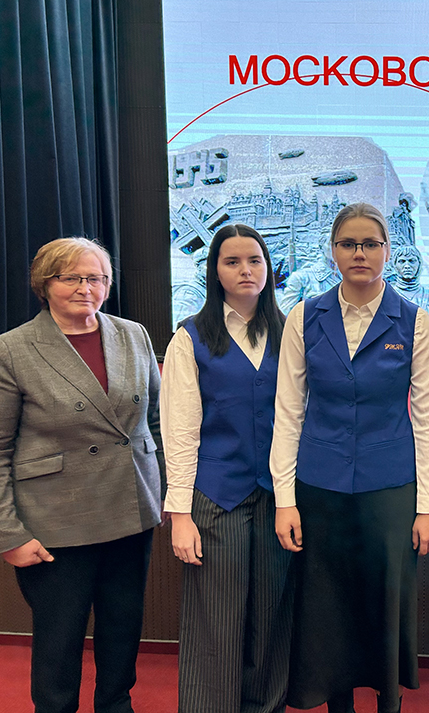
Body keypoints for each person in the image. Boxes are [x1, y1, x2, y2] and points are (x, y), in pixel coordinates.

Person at [269, 203, 429, 713]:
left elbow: (427, 420)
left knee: (384, 602)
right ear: (333, 251)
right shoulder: (304, 316)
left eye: (371, 243)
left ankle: (388, 702)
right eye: (349, 244)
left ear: (388, 250)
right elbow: (289, 413)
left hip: (389, 489)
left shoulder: (415, 321)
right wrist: (285, 499)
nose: (360, 253)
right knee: (327, 607)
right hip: (319, 488)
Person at [0, 237, 163, 713]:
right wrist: (7, 533)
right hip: (55, 523)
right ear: (45, 283)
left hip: (130, 511)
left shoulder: (133, 335)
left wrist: (160, 488)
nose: (86, 287)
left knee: (123, 628)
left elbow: (156, 420)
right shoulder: (10, 350)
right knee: (59, 643)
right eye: (71, 277)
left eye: (96, 278)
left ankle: (116, 705)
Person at [160, 223, 294, 712]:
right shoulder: (190, 338)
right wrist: (180, 514)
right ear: (214, 271)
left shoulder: (291, 332)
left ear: (269, 268)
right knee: (216, 620)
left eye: (254, 260)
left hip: (279, 497)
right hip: (216, 496)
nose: (245, 270)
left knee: (272, 616)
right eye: (231, 261)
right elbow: (179, 430)